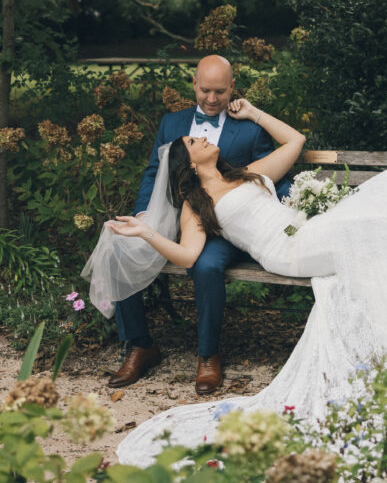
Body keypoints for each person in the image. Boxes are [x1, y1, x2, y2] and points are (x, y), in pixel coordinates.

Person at [95, 99, 387, 468]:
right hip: (290, 250)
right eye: (195, 140)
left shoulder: (245, 171)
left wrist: (253, 112)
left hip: (312, 228)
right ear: (188, 162)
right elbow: (190, 256)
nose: (205, 136)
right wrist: (149, 233)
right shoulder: (197, 203)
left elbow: (296, 141)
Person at [96, 55, 289, 395]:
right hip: (170, 216)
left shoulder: (248, 127)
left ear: (232, 86)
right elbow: (155, 172)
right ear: (194, 84)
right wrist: (144, 212)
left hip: (221, 224)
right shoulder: (172, 123)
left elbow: (272, 173)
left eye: (219, 91)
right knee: (118, 249)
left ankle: (208, 354)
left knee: (206, 266)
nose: (211, 100)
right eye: (204, 91)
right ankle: (140, 345)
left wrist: (284, 213)